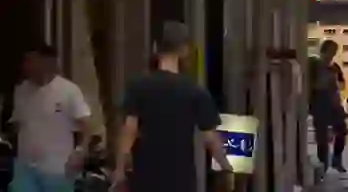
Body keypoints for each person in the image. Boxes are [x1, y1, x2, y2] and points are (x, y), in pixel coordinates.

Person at [113, 21, 233, 192]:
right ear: (184, 51)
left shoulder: (137, 86)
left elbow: (129, 131)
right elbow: (209, 137)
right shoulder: (194, 91)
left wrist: (119, 170)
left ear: (156, 48)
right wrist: (226, 168)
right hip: (181, 181)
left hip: (146, 179)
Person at [7, 44, 91, 192]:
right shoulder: (21, 90)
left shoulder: (69, 90)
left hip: (58, 168)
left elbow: (86, 126)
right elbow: (18, 124)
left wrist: (80, 152)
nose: (26, 66)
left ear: (47, 62)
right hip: (25, 168)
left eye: (32, 60)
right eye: (25, 61)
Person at [307, 39, 347, 175]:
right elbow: (309, 84)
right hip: (319, 102)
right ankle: (323, 165)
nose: (332, 55)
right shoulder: (313, 64)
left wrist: (336, 84)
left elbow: (342, 84)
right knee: (322, 136)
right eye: (331, 52)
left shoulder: (334, 67)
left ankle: (337, 159)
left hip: (334, 102)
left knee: (341, 129)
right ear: (324, 51)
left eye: (334, 53)